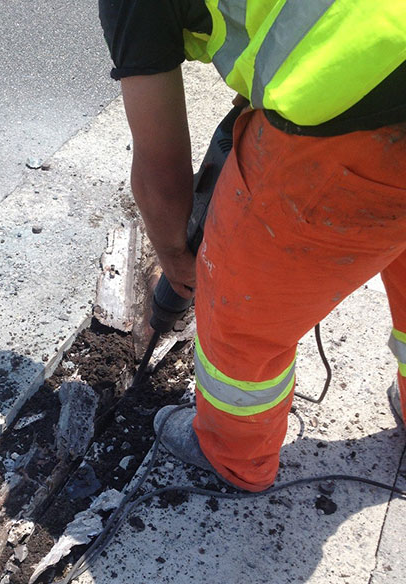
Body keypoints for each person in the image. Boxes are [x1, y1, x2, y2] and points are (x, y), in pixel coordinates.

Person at [98, 0, 406, 492]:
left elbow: (160, 169)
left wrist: (178, 257)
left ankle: (232, 455)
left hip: (364, 127)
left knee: (242, 313)